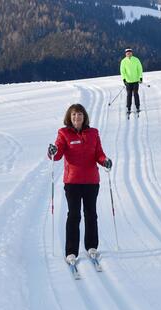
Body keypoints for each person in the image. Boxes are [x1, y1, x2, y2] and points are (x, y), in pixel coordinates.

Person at [48, 103, 112, 265]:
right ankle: (71, 251)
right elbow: (57, 154)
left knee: (91, 214)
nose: (77, 117)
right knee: (74, 215)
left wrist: (105, 162)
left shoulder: (93, 133)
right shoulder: (63, 134)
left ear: (85, 117)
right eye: (74, 115)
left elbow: (99, 154)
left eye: (80, 115)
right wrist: (52, 151)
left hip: (91, 181)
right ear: (69, 118)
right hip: (73, 182)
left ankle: (91, 246)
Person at [120, 48, 143, 115]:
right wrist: (124, 79)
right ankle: (128, 107)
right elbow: (122, 71)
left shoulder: (136, 60)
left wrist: (140, 77)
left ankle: (137, 106)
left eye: (129, 52)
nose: (128, 54)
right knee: (129, 95)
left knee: (136, 93)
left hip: (136, 80)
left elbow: (140, 69)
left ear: (132, 53)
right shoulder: (123, 61)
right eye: (127, 53)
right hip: (128, 81)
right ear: (125, 54)